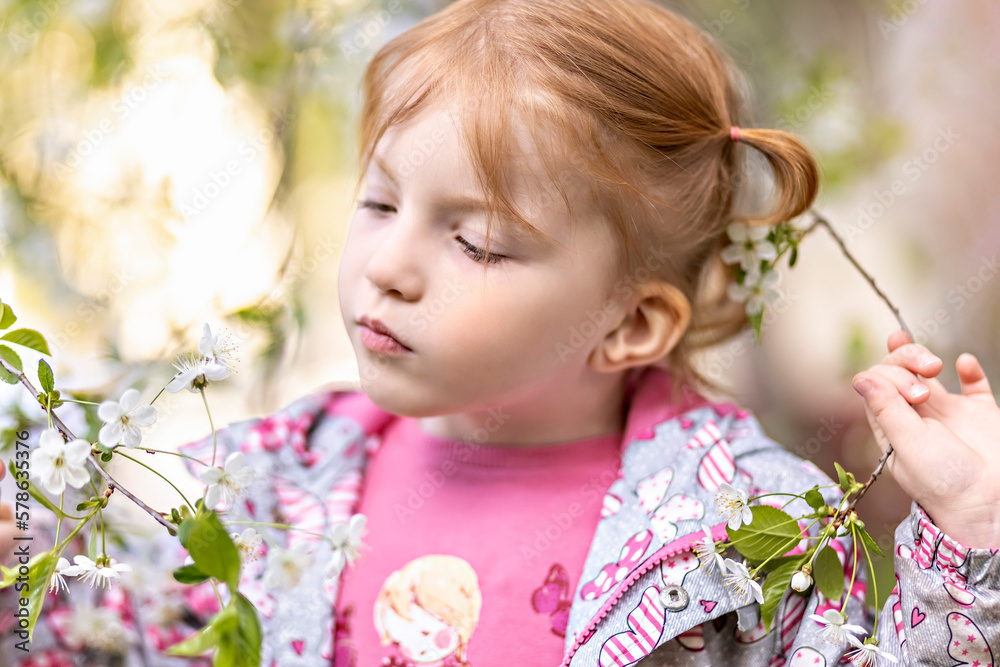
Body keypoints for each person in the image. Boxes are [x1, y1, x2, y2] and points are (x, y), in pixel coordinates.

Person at [2, 0, 998, 665]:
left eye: (474, 241)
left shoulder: (740, 538)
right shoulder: (273, 482)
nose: (389, 265)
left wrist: (968, 537)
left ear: (630, 320)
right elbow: (109, 631)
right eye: (380, 204)